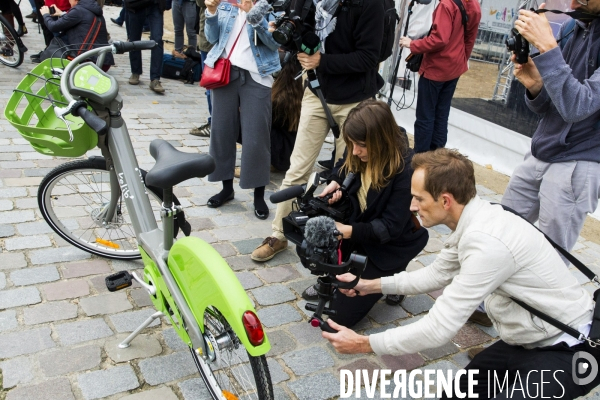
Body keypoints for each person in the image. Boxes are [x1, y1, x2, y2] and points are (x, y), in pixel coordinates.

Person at [322, 148, 599, 399]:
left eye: (418, 198)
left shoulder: (487, 243)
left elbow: (438, 329)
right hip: (526, 341)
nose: (411, 207)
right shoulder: (475, 219)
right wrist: (368, 285)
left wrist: (364, 343)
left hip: (568, 350)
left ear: (445, 200)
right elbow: (435, 275)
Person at [250, 0, 384, 262]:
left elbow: (369, 56)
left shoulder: (370, 5)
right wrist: (285, 34)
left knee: (349, 176)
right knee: (297, 168)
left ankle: (341, 244)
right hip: (316, 91)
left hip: (355, 99)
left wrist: (322, 60)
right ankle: (279, 234)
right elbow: (302, 36)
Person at [302, 100, 428, 327]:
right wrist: (335, 181)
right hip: (360, 232)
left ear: (381, 140)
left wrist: (345, 231)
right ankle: (339, 278)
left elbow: (388, 228)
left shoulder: (405, 170)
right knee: (316, 250)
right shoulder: (358, 150)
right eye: (351, 143)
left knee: (340, 317)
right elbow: (343, 164)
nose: (355, 151)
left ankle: (395, 277)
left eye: (361, 145)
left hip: (387, 245)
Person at [501, 0, 600, 261]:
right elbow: (550, 104)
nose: (574, 2)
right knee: (500, 233)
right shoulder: (573, 26)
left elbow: (578, 106)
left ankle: (529, 302)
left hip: (579, 161)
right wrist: (536, 85)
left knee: (548, 259)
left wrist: (547, 46)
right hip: (541, 150)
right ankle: (484, 298)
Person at [203, 0, 280, 220]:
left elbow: (274, 44)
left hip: (257, 76)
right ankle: (226, 188)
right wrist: (211, 11)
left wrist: (254, 16)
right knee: (222, 132)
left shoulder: (271, 7)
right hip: (225, 73)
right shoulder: (227, 4)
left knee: (257, 137)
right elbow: (211, 38)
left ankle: (258, 195)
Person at [399, 0, 481, 153]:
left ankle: (421, 158)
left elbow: (439, 39)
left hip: (436, 68)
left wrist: (413, 44)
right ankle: (437, 156)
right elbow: (470, 37)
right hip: (454, 67)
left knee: (425, 116)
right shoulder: (474, 4)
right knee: (441, 114)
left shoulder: (446, 4)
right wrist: (462, 59)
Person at [40, 0, 114, 68]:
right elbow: (80, 19)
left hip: (87, 60)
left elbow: (53, 26)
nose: (69, 2)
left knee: (53, 51)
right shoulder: (92, 8)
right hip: (103, 60)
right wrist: (61, 13)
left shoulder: (78, 10)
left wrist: (45, 15)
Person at [269, 52, 303, 172]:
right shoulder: (300, 93)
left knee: (245, 122)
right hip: (294, 153)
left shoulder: (279, 100)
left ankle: (258, 163)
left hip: (281, 156)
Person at [125, 0, 167, 93]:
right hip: (136, 5)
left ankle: (155, 79)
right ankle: (135, 72)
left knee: (157, 40)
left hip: (155, 4)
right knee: (134, 40)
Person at [189, 0, 213, 137]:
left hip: (227, 41)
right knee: (210, 85)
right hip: (208, 39)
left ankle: (216, 124)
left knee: (214, 86)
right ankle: (213, 122)